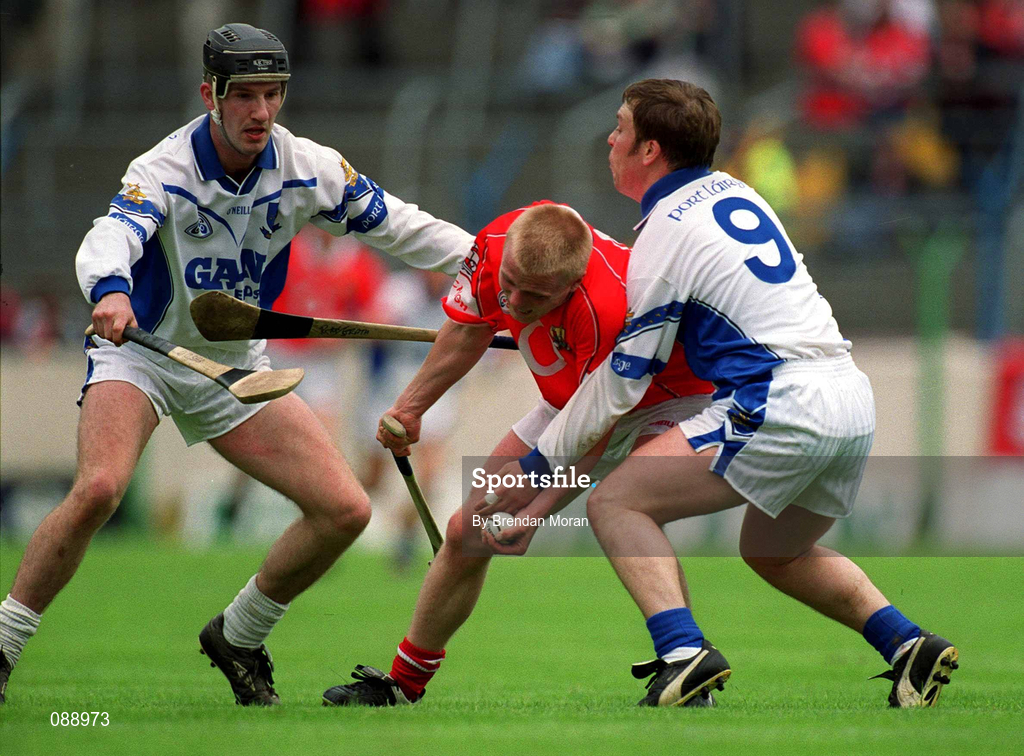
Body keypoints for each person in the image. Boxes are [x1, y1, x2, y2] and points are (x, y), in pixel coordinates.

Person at [0, 23, 475, 707]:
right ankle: (5, 643)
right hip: (143, 354)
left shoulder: (308, 166)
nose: (260, 111)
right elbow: (113, 234)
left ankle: (240, 634)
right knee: (100, 488)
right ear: (210, 94)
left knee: (343, 510)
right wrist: (109, 289)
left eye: (272, 94)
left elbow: (403, 225)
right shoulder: (162, 168)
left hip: (233, 366)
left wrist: (492, 263)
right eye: (245, 95)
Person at [485, 80, 959, 708]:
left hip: (781, 401)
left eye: (621, 126)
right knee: (774, 553)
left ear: (650, 150)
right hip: (848, 396)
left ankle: (683, 654)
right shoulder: (736, 191)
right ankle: (907, 645)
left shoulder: (663, 237)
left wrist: (537, 470)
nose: (611, 137)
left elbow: (624, 380)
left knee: (616, 505)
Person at [320, 201, 714, 707]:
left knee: (621, 507)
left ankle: (684, 660)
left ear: (571, 286)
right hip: (571, 399)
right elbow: (469, 329)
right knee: (468, 531)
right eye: (510, 283)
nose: (514, 300)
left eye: (535, 296)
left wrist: (535, 512)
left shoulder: (607, 308)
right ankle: (402, 684)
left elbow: (594, 429)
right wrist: (411, 408)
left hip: (657, 398)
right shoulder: (495, 247)